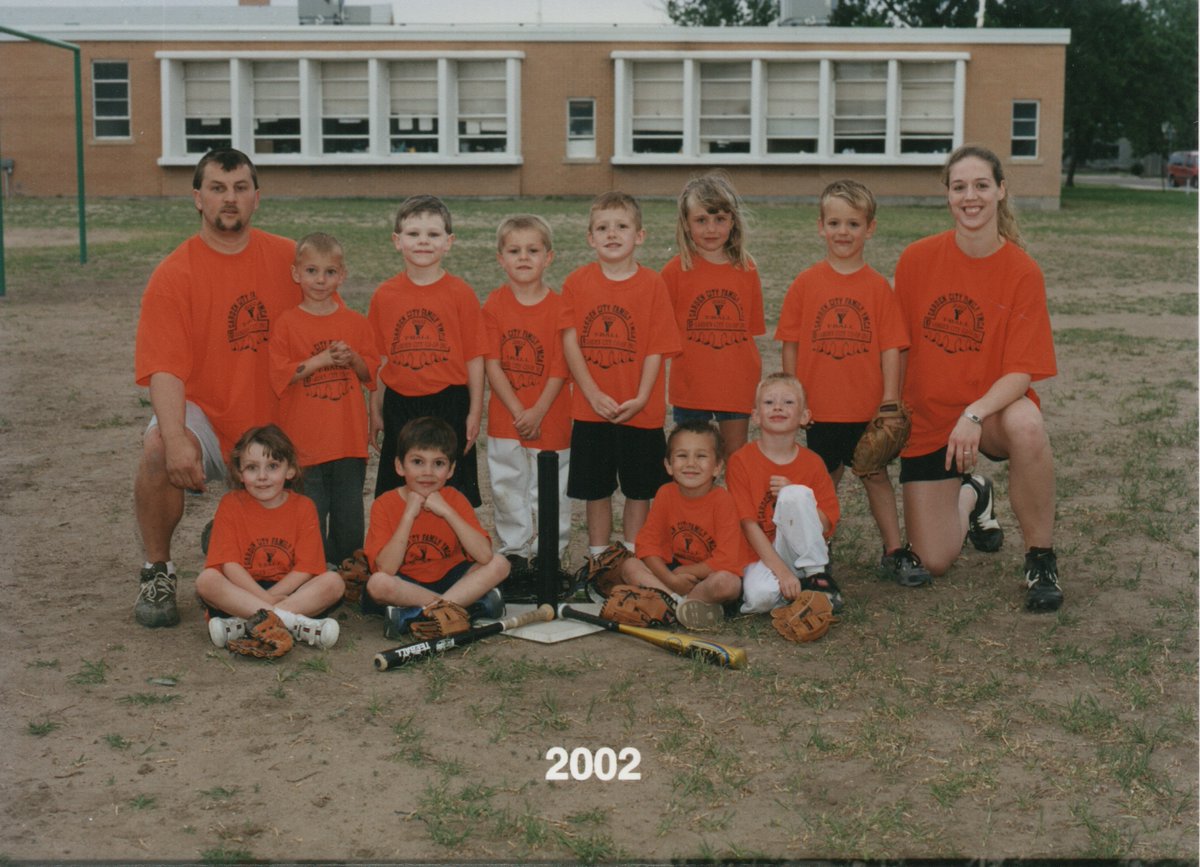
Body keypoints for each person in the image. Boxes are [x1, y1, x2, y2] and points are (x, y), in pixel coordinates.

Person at [133, 148, 299, 628]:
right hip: (207, 412)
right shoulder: (174, 273)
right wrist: (178, 437)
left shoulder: (290, 259)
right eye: (218, 188)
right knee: (160, 446)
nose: (230, 199)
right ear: (197, 199)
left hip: (277, 420)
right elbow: (164, 368)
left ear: (257, 198)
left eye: (241, 188)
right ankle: (158, 570)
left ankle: (232, 536)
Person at [894, 144, 1062, 611]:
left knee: (1027, 424)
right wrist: (890, 408)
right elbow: (900, 345)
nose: (971, 197)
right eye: (959, 187)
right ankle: (973, 494)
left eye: (981, 186)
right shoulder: (915, 260)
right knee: (935, 558)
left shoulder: (1022, 270)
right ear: (948, 196)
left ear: (1001, 191)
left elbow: (1021, 371)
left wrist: (974, 413)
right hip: (931, 419)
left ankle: (1040, 558)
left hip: (989, 413)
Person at [776, 180, 927, 587]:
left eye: (854, 224)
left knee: (875, 476)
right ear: (820, 226)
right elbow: (789, 345)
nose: (844, 232)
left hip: (866, 409)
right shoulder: (806, 284)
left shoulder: (878, 288)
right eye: (835, 222)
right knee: (822, 484)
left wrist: (890, 401)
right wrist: (795, 398)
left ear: (870, 228)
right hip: (820, 410)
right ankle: (814, 554)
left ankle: (894, 550)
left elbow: (891, 348)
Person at [559, 191, 682, 573]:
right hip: (591, 410)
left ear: (639, 235)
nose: (612, 234)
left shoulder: (652, 284)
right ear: (590, 238)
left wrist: (643, 397)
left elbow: (655, 349)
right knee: (596, 490)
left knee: (639, 490)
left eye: (622, 226)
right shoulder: (577, 283)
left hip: (638, 411)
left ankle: (632, 558)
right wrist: (591, 393)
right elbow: (570, 342)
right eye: (602, 227)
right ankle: (599, 561)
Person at [269, 232, 379, 567]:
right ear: (296, 274)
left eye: (330, 272)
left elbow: (369, 373)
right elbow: (281, 376)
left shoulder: (355, 323)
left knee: (348, 527)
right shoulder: (286, 324)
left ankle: (348, 578)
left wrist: (352, 359)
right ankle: (313, 576)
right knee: (310, 522)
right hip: (304, 446)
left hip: (347, 443)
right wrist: (322, 360)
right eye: (312, 271)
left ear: (342, 275)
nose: (321, 279)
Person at [368, 195, 485, 506]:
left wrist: (474, 411)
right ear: (397, 240)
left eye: (433, 235)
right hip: (400, 404)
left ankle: (452, 550)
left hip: (449, 402)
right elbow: (380, 358)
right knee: (399, 489)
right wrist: (375, 409)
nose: (423, 242)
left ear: (448, 242)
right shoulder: (385, 294)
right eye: (413, 234)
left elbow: (475, 358)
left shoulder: (461, 294)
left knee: (451, 489)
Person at [198, 425, 344, 649]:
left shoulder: (304, 507)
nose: (263, 477)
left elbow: (306, 569)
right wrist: (266, 601)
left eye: (273, 466)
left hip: (289, 591)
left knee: (334, 582)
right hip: (243, 591)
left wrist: (270, 599)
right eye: (252, 468)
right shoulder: (230, 504)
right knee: (207, 580)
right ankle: (294, 623)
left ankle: (244, 625)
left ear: (291, 470)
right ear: (239, 473)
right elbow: (229, 566)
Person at [482, 215, 572, 577]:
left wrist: (536, 411)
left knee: (552, 490)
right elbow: (492, 364)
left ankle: (551, 552)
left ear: (548, 257)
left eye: (532, 250)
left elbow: (559, 368)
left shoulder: (560, 306)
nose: (523, 258)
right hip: (506, 420)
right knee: (507, 487)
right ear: (501, 258)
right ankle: (515, 555)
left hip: (551, 418)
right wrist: (520, 410)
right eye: (514, 251)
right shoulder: (493, 304)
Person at [362, 417, 509, 639]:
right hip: (408, 584)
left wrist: (448, 512)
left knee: (500, 563)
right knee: (378, 584)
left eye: (438, 463)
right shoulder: (384, 504)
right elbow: (387, 569)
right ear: (400, 466)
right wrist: (408, 515)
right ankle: (464, 607)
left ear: (450, 470)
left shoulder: (455, 499)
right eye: (418, 462)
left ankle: (417, 615)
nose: (428, 472)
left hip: (452, 578)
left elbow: (484, 555)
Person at [662, 172, 765, 459]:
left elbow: (750, 330)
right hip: (691, 386)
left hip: (736, 384)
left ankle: (732, 506)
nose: (711, 228)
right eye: (701, 220)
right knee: (691, 461)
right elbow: (662, 336)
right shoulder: (674, 271)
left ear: (732, 222)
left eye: (719, 219)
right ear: (686, 223)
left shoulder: (747, 269)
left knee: (735, 457)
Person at [726, 374, 842, 614]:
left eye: (788, 402)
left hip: (799, 549)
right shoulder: (740, 461)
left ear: (805, 416)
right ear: (756, 416)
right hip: (759, 553)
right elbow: (748, 525)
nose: (778, 406)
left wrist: (797, 498)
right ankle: (795, 589)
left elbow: (825, 523)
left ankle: (816, 578)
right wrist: (782, 572)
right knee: (760, 599)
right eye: (769, 402)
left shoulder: (813, 463)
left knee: (795, 494)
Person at [618, 420, 747, 630]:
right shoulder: (665, 494)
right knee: (629, 566)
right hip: (673, 575)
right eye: (682, 455)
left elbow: (727, 559)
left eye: (701, 456)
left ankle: (675, 607)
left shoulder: (723, 501)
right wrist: (670, 579)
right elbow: (647, 545)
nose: (691, 464)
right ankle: (678, 607)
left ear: (717, 467)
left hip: (706, 579)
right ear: (668, 465)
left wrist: (686, 573)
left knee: (727, 583)